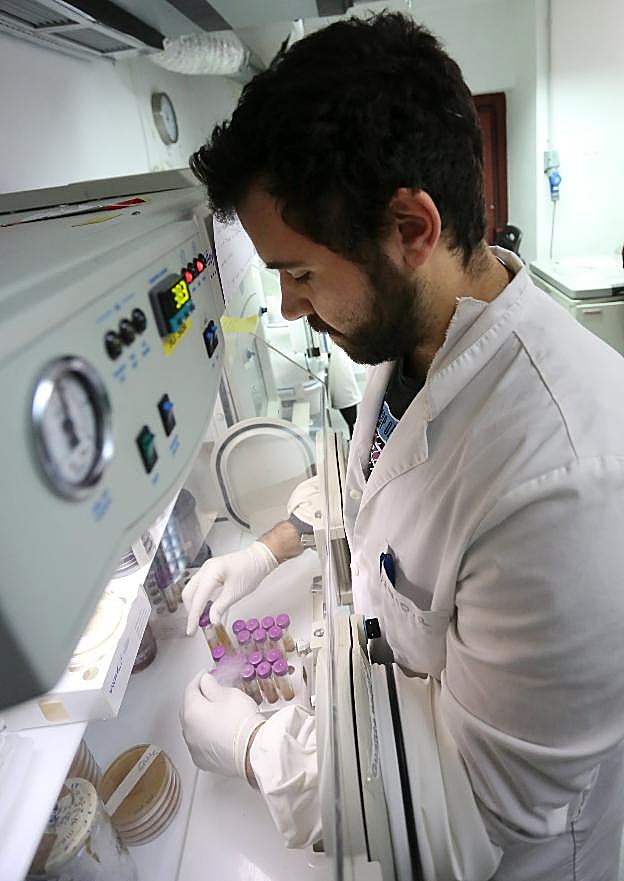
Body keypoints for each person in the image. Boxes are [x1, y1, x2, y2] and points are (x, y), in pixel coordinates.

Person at [180, 12, 624, 880]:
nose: (289, 307)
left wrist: (258, 749)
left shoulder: (567, 483)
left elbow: (467, 814)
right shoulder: (417, 341)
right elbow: (380, 489)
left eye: (301, 272)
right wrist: (271, 548)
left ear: (413, 228)